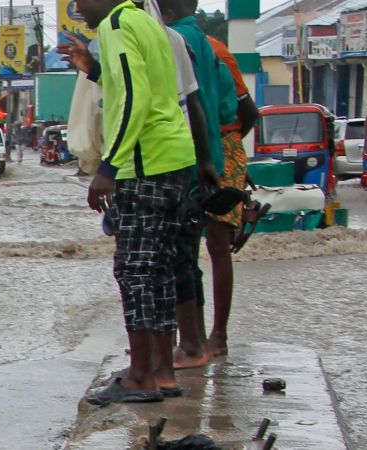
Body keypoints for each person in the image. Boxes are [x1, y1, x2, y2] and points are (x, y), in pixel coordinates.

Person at [58, 0, 215, 405]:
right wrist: (93, 70)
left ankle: (141, 376)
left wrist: (109, 167)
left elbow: (134, 100)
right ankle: (162, 372)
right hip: (174, 159)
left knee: (135, 273)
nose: (77, 6)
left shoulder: (116, 25)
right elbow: (145, 88)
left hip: (145, 162)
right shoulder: (148, 22)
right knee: (160, 269)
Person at [154, 0, 237, 370]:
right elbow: (227, 109)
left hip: (179, 159)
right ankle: (198, 340)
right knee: (190, 253)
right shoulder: (207, 43)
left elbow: (180, 102)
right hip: (206, 157)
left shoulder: (170, 39)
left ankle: (189, 345)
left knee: (178, 256)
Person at [203, 35, 260, 358]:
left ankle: (218, 336)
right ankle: (193, 335)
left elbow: (249, 111)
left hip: (220, 145)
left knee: (216, 242)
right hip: (208, 145)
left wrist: (232, 152)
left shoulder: (214, 52)